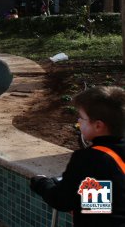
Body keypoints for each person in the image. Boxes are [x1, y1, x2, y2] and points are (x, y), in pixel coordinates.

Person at [30, 86, 124, 226]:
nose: (78, 121)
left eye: (81, 117)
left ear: (98, 126)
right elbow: (99, 204)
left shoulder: (90, 159)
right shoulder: (109, 157)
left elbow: (62, 201)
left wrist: (41, 183)